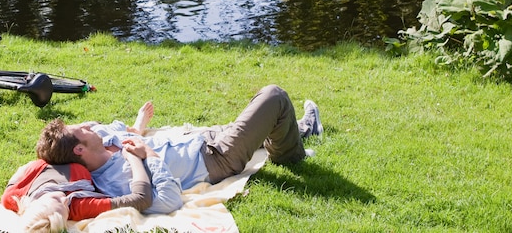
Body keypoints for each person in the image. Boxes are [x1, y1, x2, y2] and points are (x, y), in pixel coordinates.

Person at [36, 85, 322, 215]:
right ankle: (291, 155)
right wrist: (152, 157)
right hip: (217, 159)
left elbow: (125, 131)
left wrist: (139, 124)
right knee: (273, 96)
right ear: (79, 151)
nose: (89, 124)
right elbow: (169, 201)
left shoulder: (103, 137)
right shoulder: (116, 180)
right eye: (81, 129)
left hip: (201, 138)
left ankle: (303, 130)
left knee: (263, 122)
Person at [1, 147, 153, 232]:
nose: (64, 198)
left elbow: (23, 169)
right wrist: (134, 159)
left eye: (55, 199)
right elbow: (141, 199)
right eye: (65, 209)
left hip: (55, 149)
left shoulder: (13, 197)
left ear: (33, 205)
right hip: (91, 155)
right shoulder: (77, 206)